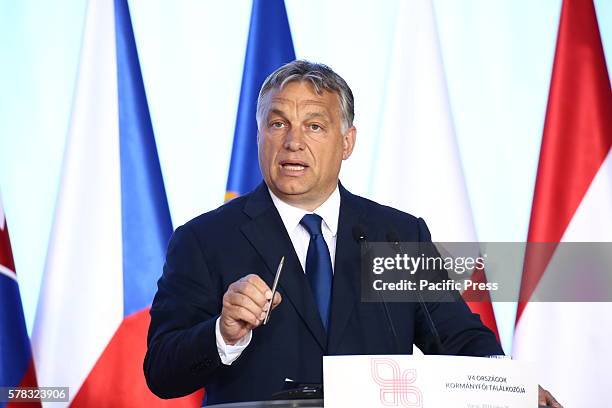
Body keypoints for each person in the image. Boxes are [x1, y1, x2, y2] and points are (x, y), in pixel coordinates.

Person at [144, 60, 561, 407]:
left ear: (347, 142)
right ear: (259, 135)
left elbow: (458, 337)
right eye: (277, 123)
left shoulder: (396, 235)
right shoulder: (204, 239)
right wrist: (223, 333)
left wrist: (515, 390)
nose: (293, 142)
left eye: (314, 126)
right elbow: (162, 371)